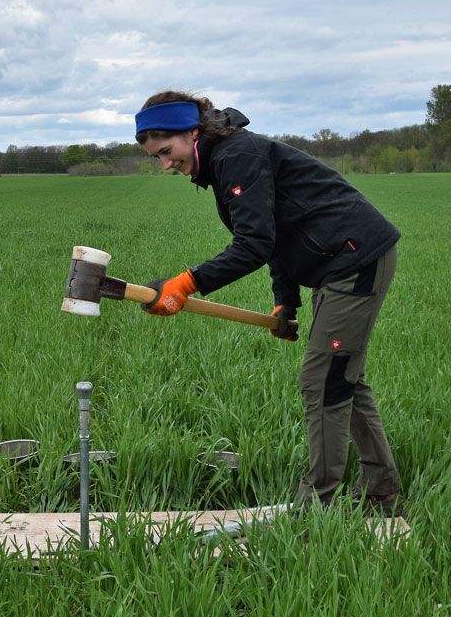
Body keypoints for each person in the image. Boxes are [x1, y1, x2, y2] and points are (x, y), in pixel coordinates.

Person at [134, 90, 404, 513]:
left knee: (323, 382)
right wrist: (286, 303)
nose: (166, 165)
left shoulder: (233, 156)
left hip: (355, 258)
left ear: (192, 132)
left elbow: (255, 243)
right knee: (342, 377)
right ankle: (382, 492)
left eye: (167, 152)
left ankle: (314, 509)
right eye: (157, 158)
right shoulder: (222, 160)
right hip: (337, 262)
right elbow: (277, 235)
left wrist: (188, 282)